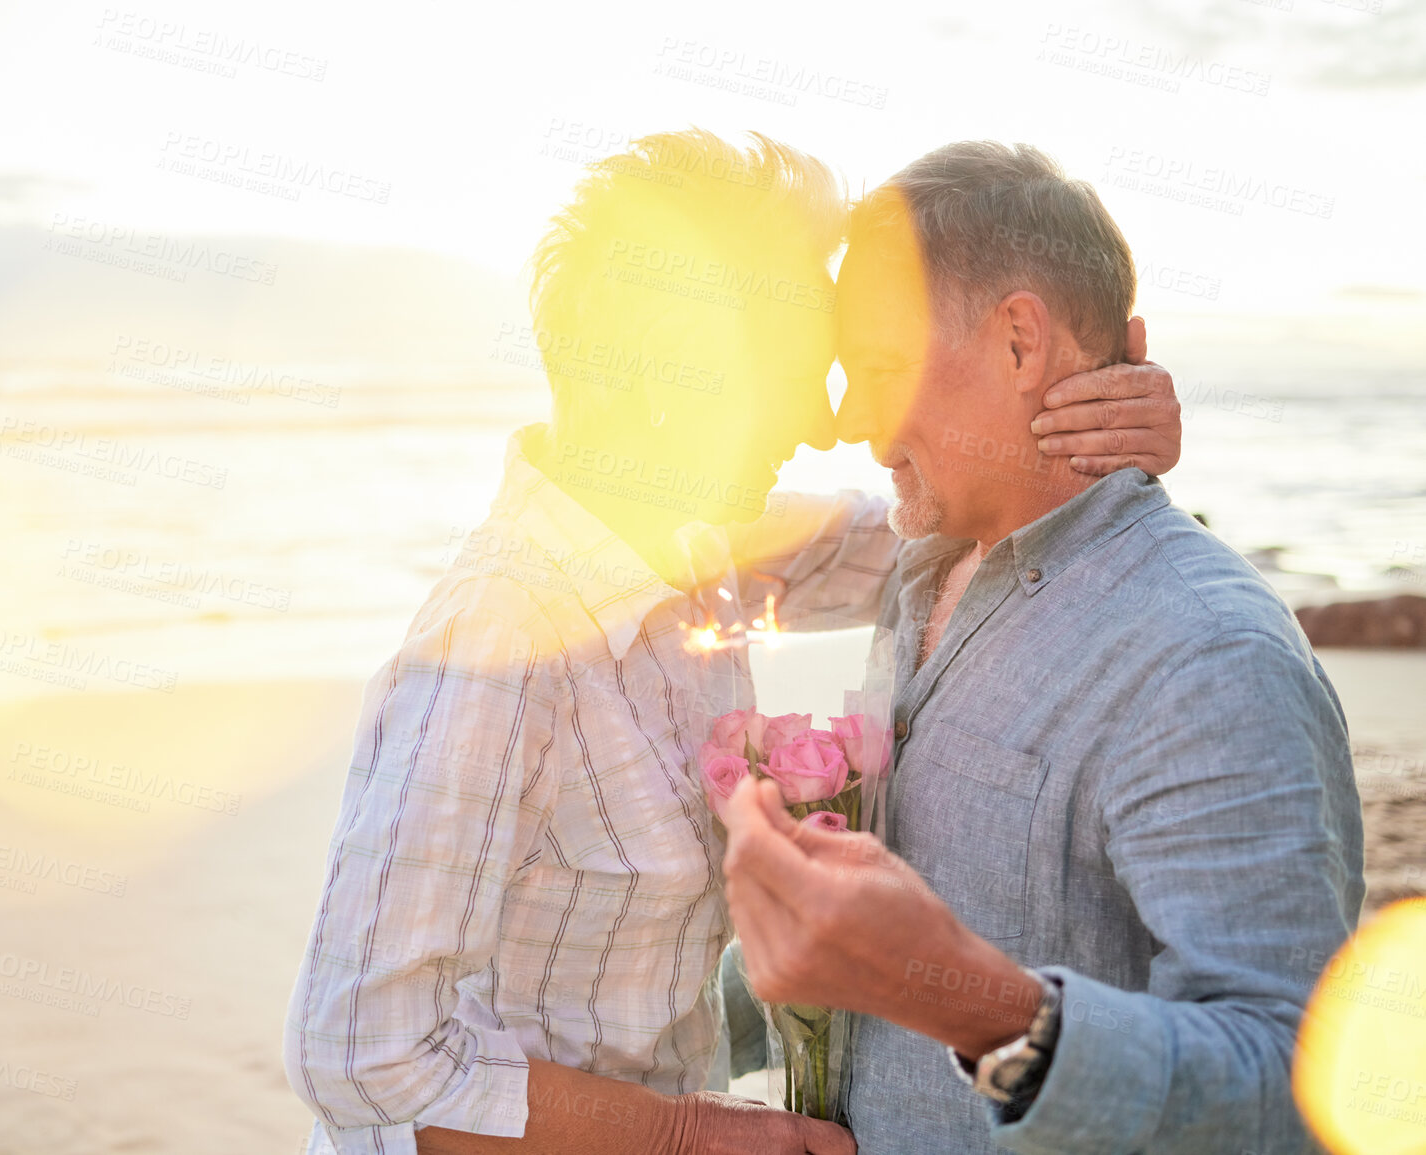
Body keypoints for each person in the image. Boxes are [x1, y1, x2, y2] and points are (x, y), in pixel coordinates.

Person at [283, 131, 1184, 1155]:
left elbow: (933, 528)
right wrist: (686, 1134)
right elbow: (358, 1049)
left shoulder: (699, 555)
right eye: (801, 373)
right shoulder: (492, 650)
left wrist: (1096, 418)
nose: (827, 420)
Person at [720, 141, 1363, 1154]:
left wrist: (989, 1010)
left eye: (878, 368)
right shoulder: (921, 557)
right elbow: (703, 536)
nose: (848, 418)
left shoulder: (1203, 658)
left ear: (1021, 344)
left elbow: (1297, 1093)